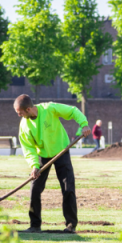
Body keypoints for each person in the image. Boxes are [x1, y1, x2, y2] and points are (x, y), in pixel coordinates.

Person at [13, 94, 90, 233]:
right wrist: (34, 165)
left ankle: (71, 225)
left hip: (61, 151)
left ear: (29, 109)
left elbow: (72, 111)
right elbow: (28, 148)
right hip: (42, 156)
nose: (19, 115)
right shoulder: (24, 125)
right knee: (34, 189)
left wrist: (84, 124)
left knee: (68, 189)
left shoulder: (49, 108)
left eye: (20, 113)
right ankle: (35, 225)